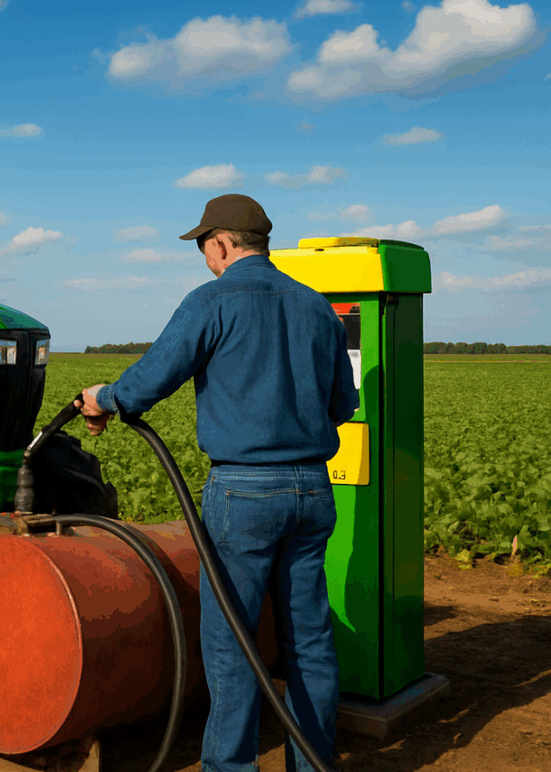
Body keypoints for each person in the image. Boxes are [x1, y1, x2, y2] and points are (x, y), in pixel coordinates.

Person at [76, 194, 359, 772]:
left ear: (221, 244)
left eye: (205, 246)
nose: (205, 256)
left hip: (244, 493)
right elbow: (343, 403)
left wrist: (102, 399)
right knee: (309, 637)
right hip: (312, 487)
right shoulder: (316, 308)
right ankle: (313, 761)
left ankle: (230, 767)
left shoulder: (211, 300)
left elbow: (153, 377)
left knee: (233, 641)